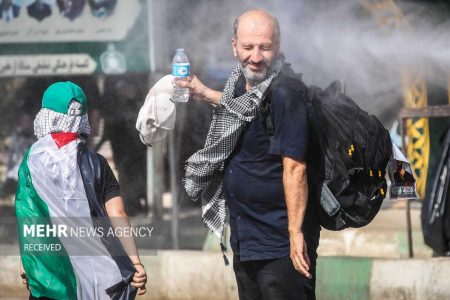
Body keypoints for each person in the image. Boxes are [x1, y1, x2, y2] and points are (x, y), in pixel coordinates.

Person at [182, 9, 320, 300]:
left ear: (278, 45)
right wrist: (203, 92)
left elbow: (295, 167)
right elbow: (244, 111)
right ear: (234, 46)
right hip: (247, 237)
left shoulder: (285, 91)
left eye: (265, 47)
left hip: (280, 242)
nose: (255, 57)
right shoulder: (241, 84)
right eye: (247, 47)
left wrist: (296, 234)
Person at [15, 81, 147, 299]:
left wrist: (26, 259)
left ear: (46, 115)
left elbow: (29, 214)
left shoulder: (31, 162)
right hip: (97, 276)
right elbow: (118, 214)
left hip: (50, 271)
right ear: (83, 118)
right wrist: (135, 262)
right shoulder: (97, 163)